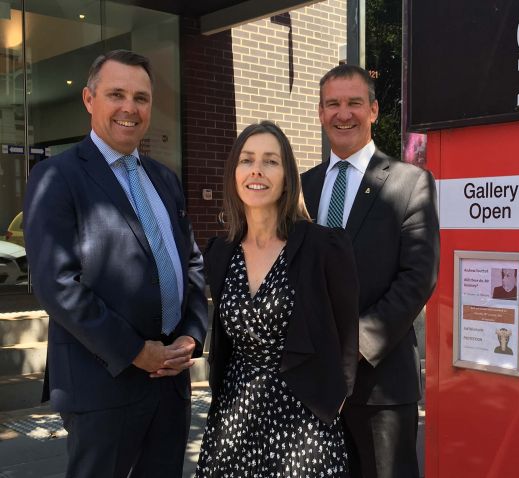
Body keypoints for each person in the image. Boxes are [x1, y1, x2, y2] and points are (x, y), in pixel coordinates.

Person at [23, 50, 208, 477]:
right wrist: (135, 351)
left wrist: (192, 336)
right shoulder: (57, 176)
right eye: (116, 94)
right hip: (102, 381)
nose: (130, 108)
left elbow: (192, 264)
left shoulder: (165, 180)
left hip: (170, 382)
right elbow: (57, 283)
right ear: (89, 99)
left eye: (141, 97)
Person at [196, 121, 359, 477]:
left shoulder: (323, 246)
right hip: (235, 417)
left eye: (271, 161)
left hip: (304, 421)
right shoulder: (221, 253)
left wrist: (336, 399)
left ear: (287, 175)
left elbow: (347, 333)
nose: (257, 169)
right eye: (247, 160)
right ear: (234, 173)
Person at [301, 64, 440, 478]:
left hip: (381, 386)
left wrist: (353, 346)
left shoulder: (410, 182)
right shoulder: (302, 187)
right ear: (321, 112)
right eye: (333, 104)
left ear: (374, 110)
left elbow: (418, 277)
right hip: (312, 384)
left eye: (354, 103)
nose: (343, 114)